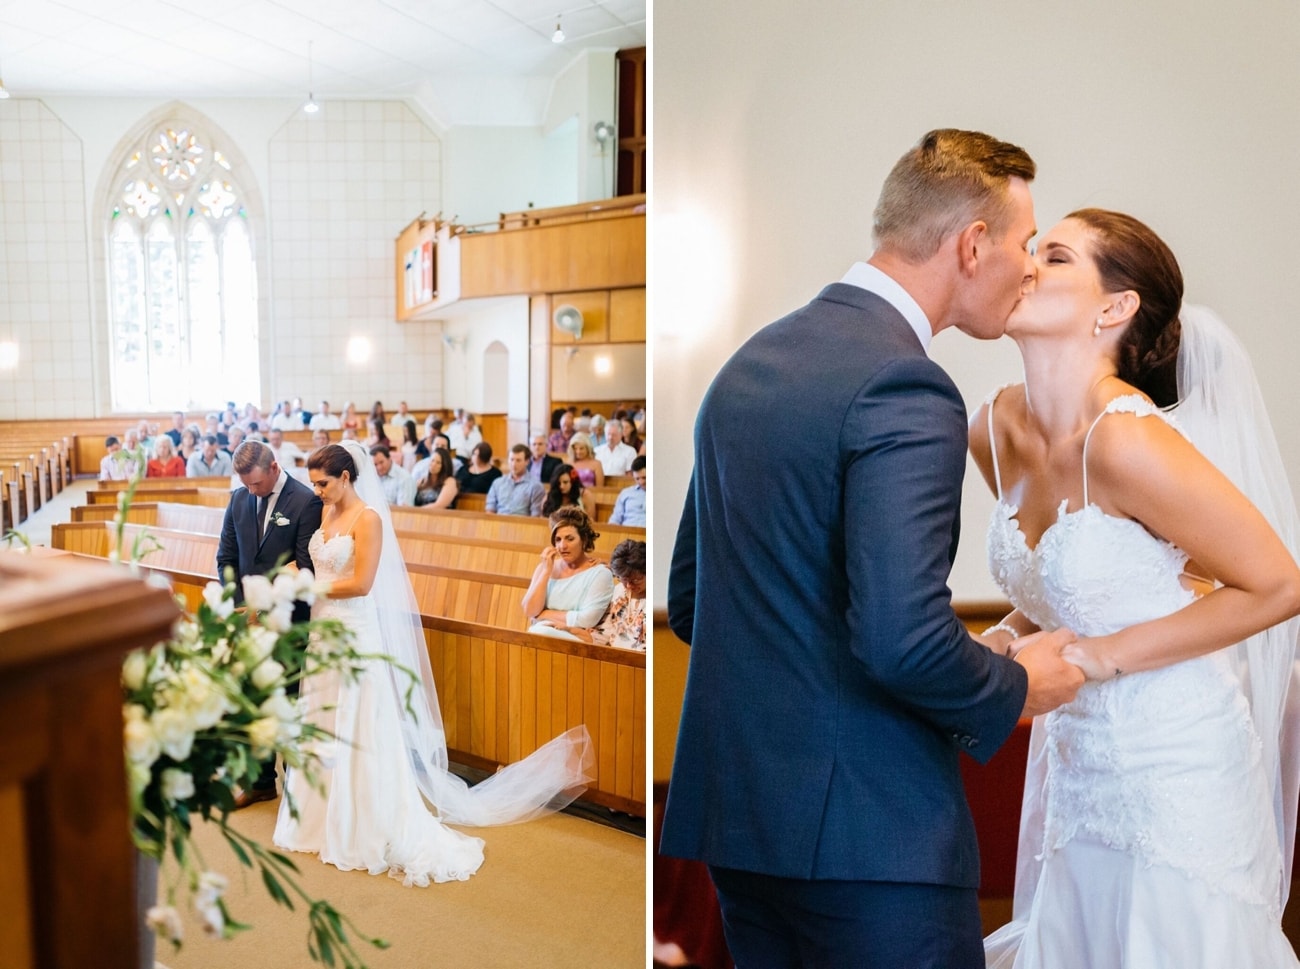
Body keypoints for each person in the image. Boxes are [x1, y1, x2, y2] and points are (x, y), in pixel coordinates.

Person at [662, 129, 1084, 969]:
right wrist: (1018, 683)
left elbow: (690, 596)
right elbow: (902, 637)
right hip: (871, 839)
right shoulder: (909, 385)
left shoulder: (747, 364)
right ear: (972, 245)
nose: (1030, 267)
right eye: (1025, 244)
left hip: (742, 826)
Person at [968, 209, 1300, 968]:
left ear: (1115, 309)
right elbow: (1064, 579)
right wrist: (1007, 634)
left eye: (1054, 256)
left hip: (1177, 758)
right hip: (1080, 764)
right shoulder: (992, 428)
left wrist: (1104, 655)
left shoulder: (1127, 438)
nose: (1025, 264)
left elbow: (1277, 584)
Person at [272, 441, 593, 884]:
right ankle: (318, 819)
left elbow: (362, 583)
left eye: (323, 483)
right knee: (322, 721)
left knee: (357, 724)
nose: (318, 491)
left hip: (353, 631)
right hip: (323, 634)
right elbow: (318, 565)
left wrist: (309, 588)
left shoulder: (369, 520)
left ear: (346, 477)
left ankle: (361, 824)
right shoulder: (326, 514)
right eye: (314, 484)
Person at [216, 440, 323, 807]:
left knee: (288, 702)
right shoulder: (238, 499)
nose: (252, 491)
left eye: (257, 484)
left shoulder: (305, 501)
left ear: (274, 468)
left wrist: (265, 611)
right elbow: (226, 558)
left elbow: (306, 565)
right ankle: (260, 781)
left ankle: (297, 785)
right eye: (245, 484)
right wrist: (240, 608)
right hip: (247, 621)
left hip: (288, 621)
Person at [522, 507, 614, 642]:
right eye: (558, 540)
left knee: (540, 633)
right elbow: (530, 611)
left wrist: (544, 613)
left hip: (575, 637)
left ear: (583, 540)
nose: (562, 546)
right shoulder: (545, 568)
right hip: (539, 632)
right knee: (537, 634)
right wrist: (546, 572)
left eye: (570, 539)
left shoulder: (600, 573)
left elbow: (587, 619)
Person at [550, 539, 646, 651]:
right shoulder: (619, 592)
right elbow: (602, 636)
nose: (629, 586)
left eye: (636, 580)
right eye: (624, 579)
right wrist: (570, 631)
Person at [485, 444, 546, 516]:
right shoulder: (497, 483)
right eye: (511, 460)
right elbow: (490, 510)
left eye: (518, 460)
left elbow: (535, 516)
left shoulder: (536, 486)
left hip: (523, 525)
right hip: (499, 523)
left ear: (527, 461)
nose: (514, 464)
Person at [609, 456, 645, 526]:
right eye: (637, 479)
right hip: (626, 532)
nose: (641, 482)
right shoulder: (626, 493)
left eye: (644, 478)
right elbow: (615, 519)